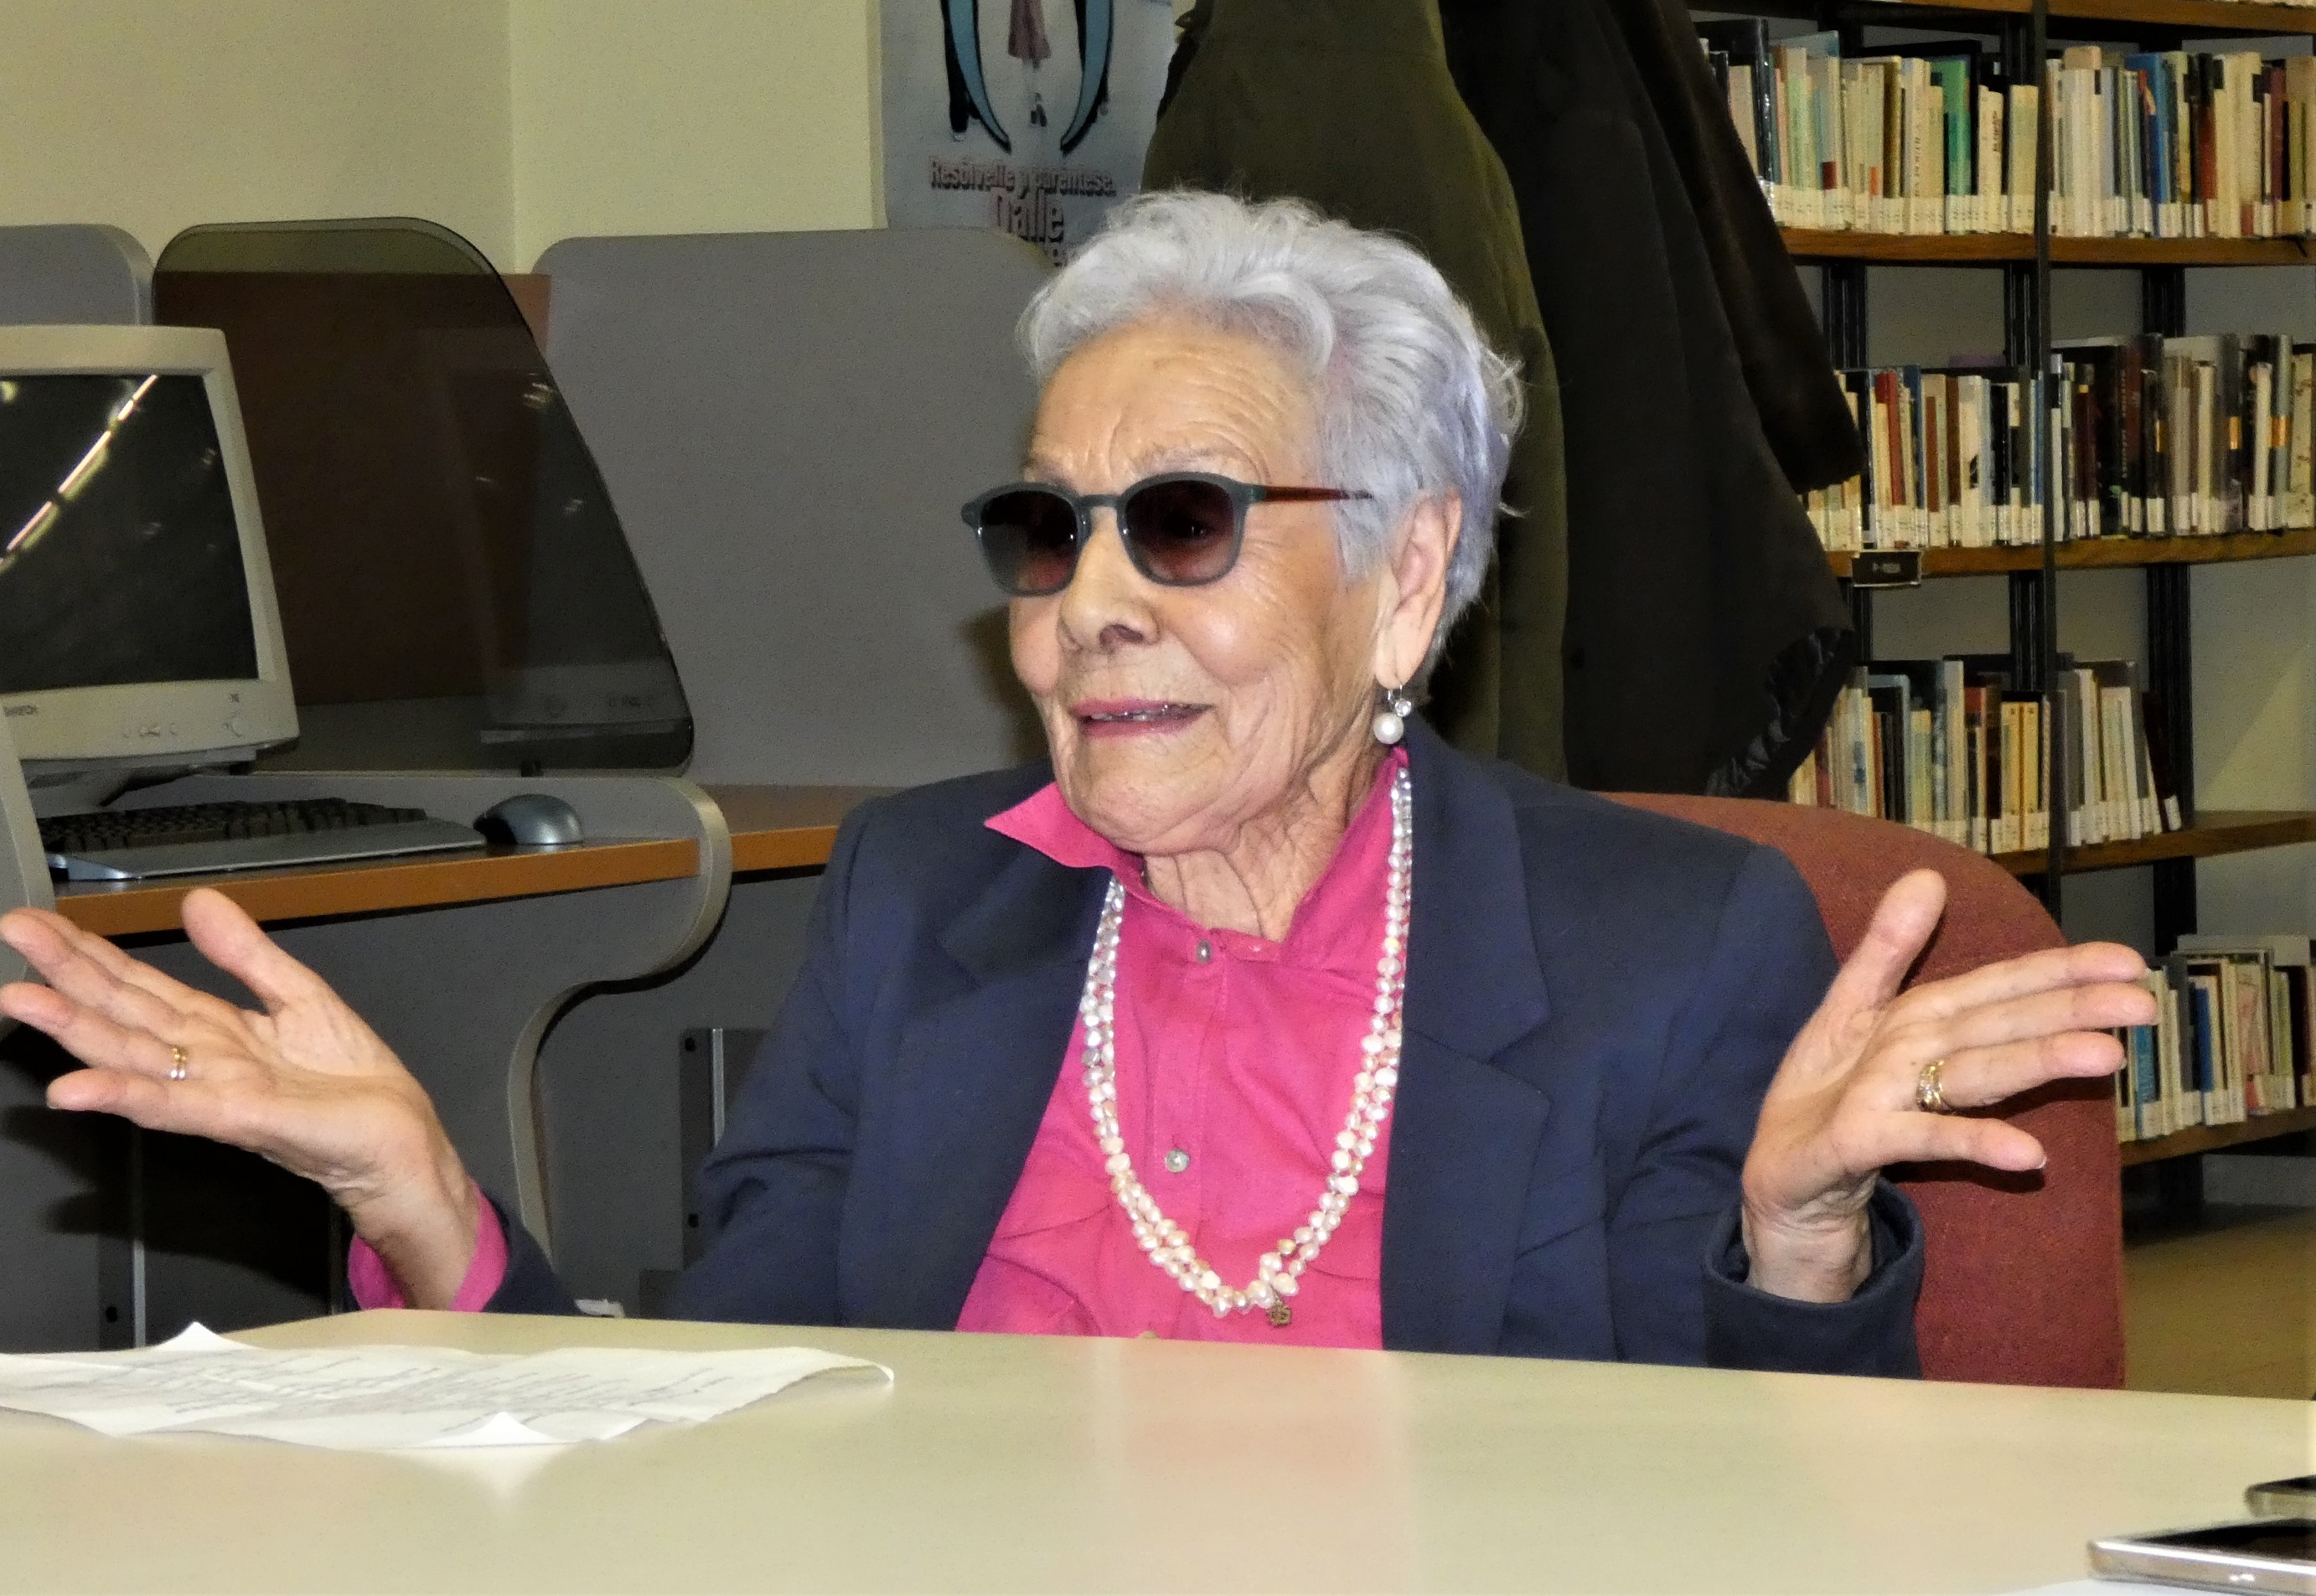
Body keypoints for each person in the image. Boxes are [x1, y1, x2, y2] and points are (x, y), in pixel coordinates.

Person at [0, 193, 2154, 1371]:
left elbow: (1761, 1514)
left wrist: (1797, 1231)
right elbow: (726, 1418)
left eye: (1183, 524)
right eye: (1049, 533)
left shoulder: (1662, 941)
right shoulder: (920, 894)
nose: (1085, 607)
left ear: (1405, 582)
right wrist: (428, 1202)